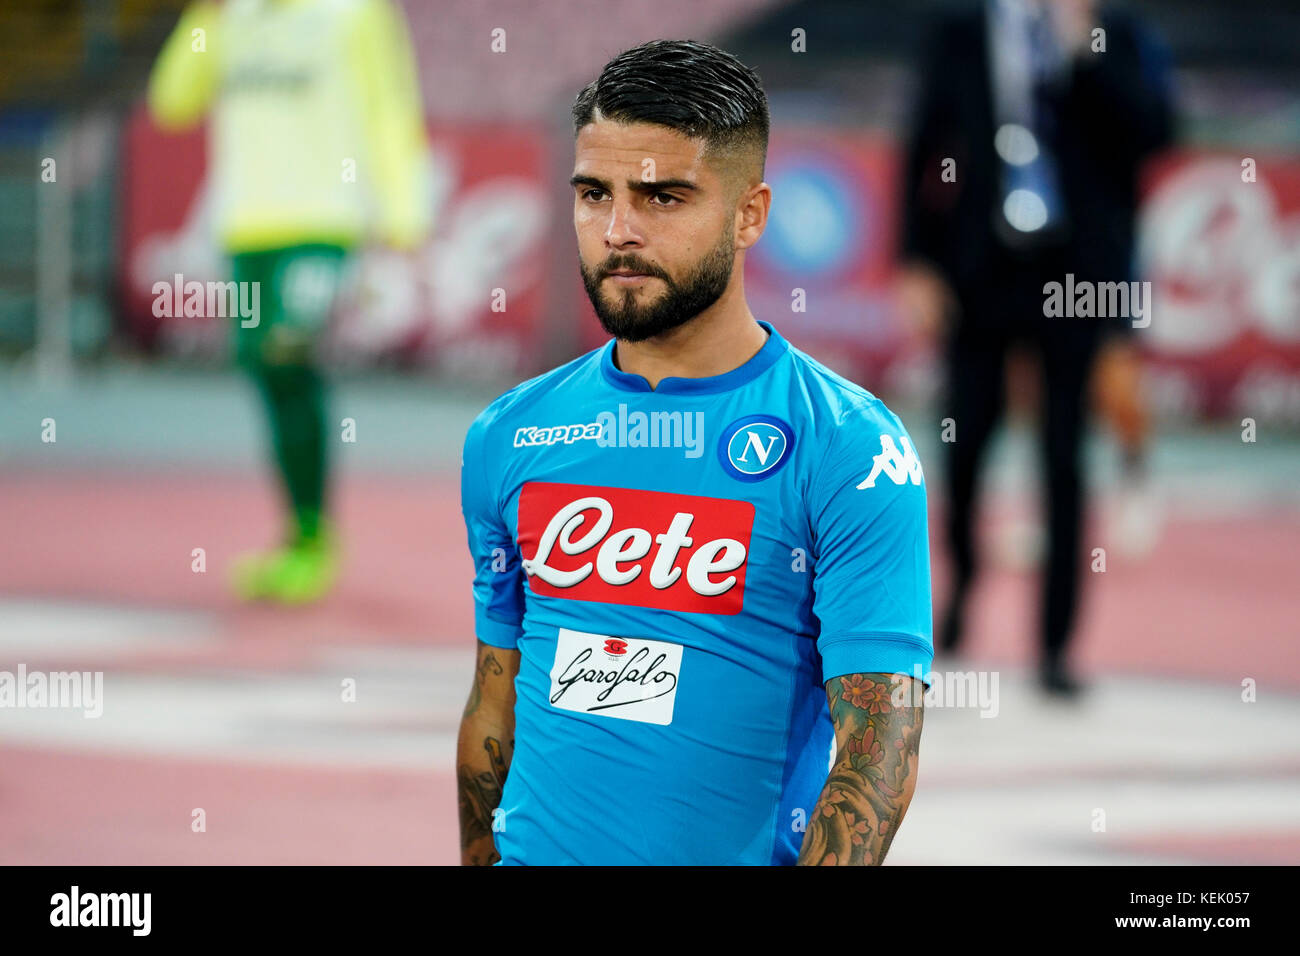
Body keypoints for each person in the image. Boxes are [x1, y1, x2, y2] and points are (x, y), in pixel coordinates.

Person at [457, 40, 932, 866]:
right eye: (594, 194)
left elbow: (877, 752)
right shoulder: (509, 434)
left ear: (750, 214)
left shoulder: (850, 447)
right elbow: (494, 702)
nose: (618, 231)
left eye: (662, 197)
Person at [898, 0, 1174, 694]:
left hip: (1077, 277)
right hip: (980, 274)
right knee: (965, 447)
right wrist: (915, 261)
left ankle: (1055, 646)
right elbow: (920, 147)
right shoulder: (957, 34)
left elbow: (1155, 135)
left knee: (1064, 457)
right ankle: (960, 584)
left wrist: (1086, 52)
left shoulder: (1115, 33)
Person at [147, 0, 431, 603]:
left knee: (285, 352)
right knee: (267, 372)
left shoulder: (353, 14)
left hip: (323, 221)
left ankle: (311, 540)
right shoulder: (231, 18)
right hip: (247, 230)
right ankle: (302, 534)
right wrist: (204, 17)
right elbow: (171, 103)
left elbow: (388, 108)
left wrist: (405, 217)